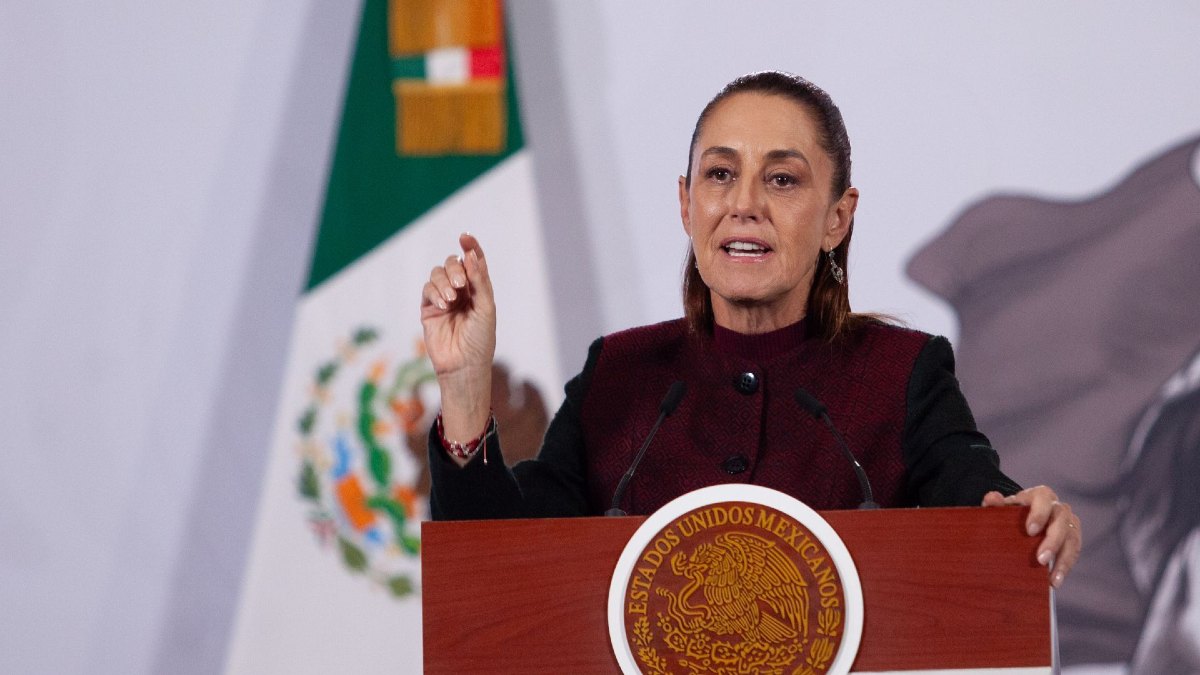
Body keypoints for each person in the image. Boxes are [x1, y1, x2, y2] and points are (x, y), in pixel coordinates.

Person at [419, 71, 1082, 587]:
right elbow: (497, 561)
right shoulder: (617, 375)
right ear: (686, 202)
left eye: (783, 179)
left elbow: (975, 495)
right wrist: (467, 387)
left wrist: (1020, 519)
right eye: (721, 174)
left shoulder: (903, 373)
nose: (744, 205)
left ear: (837, 218)